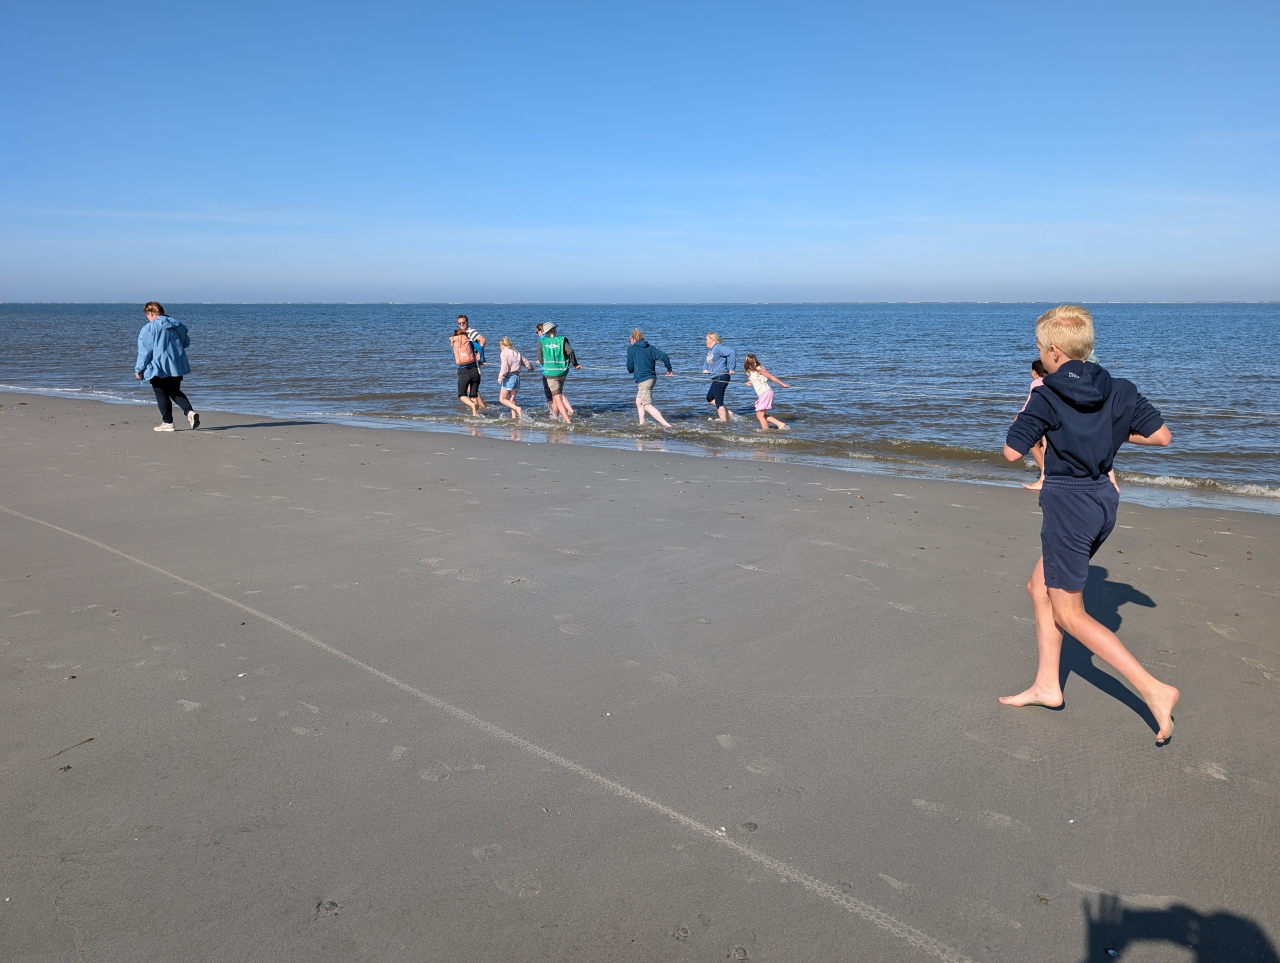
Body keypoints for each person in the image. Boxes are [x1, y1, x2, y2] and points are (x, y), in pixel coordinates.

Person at [1001, 304, 1179, 744]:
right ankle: (1047, 685)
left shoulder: (1045, 393)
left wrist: (1035, 396)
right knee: (1038, 588)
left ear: (1054, 352)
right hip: (1103, 499)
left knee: (1069, 612)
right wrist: (1106, 433)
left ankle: (1156, 690)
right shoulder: (1120, 387)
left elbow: (1011, 450)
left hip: (1069, 506)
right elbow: (1161, 436)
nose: (1039, 355)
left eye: (1040, 349)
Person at [134, 301, 199, 431]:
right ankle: (189, 412)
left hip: (158, 366)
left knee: (161, 393)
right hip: (176, 365)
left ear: (151, 313)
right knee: (174, 391)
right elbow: (186, 342)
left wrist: (139, 369)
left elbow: (145, 351)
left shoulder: (149, 328)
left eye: (147, 315)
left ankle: (168, 422)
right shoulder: (177, 325)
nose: (147, 318)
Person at [626, 328, 674, 427]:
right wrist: (669, 370)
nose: (630, 342)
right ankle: (642, 424)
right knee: (639, 401)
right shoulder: (650, 348)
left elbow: (630, 368)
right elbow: (664, 356)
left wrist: (632, 369)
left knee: (646, 405)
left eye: (630, 340)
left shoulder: (631, 349)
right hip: (651, 379)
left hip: (644, 380)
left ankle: (667, 426)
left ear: (634, 339)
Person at [537, 323, 581, 424]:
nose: (556, 330)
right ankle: (555, 416)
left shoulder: (541, 341)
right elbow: (570, 352)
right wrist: (575, 364)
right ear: (552, 330)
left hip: (550, 373)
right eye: (555, 329)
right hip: (562, 372)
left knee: (557, 397)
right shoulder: (562, 339)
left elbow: (540, 358)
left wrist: (545, 364)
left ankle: (568, 421)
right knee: (557, 394)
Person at [1018, 359, 1049, 489]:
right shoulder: (1052, 381)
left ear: (1035, 372)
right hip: (1053, 418)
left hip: (1040, 418)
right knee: (1044, 445)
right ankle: (1045, 471)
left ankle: (1045, 476)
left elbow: (1031, 402)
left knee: (1033, 444)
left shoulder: (1036, 382)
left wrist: (1020, 414)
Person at [742, 353, 790, 430]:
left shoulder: (760, 369)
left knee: (760, 415)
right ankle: (780, 424)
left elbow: (771, 377)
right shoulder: (751, 371)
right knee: (759, 415)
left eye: (755, 361)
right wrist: (751, 382)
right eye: (753, 362)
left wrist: (783, 384)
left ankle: (766, 431)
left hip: (766, 392)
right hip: (762, 394)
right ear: (748, 363)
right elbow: (756, 379)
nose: (755, 363)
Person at [701, 332, 736, 421]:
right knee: (709, 398)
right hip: (716, 377)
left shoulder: (718, 348)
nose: (705, 341)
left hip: (721, 376)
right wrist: (705, 369)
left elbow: (731, 352)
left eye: (707, 339)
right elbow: (707, 361)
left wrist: (732, 368)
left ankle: (723, 423)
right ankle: (728, 413)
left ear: (712, 340)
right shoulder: (710, 350)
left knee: (719, 402)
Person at [496, 336, 533, 419]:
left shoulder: (504, 353)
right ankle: (514, 417)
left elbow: (505, 368)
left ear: (502, 345)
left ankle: (517, 408)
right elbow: (526, 362)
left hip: (509, 377)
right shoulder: (516, 352)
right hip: (516, 377)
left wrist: (500, 378)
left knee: (502, 399)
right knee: (512, 399)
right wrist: (530, 368)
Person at [450, 325, 482, 416]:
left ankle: (472, 405)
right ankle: (475, 415)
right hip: (475, 371)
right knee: (473, 395)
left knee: (461, 395)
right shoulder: (470, 342)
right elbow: (480, 348)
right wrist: (481, 359)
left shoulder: (456, 344)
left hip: (463, 371)